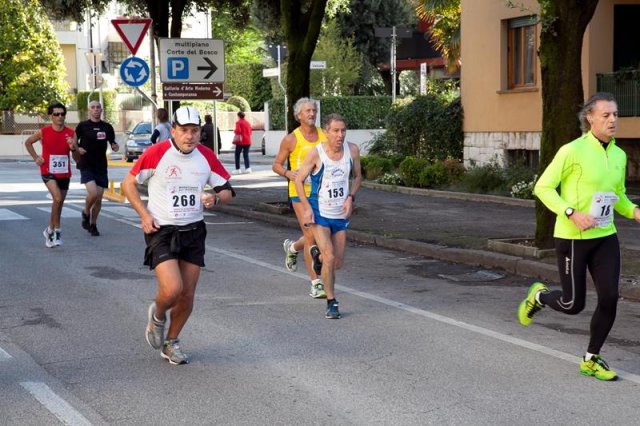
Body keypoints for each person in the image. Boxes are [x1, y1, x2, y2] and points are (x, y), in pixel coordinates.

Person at [517, 92, 640, 381]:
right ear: (590, 118)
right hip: (573, 237)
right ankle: (539, 296)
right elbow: (543, 188)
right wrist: (571, 212)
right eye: (606, 115)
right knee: (574, 305)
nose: (612, 120)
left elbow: (617, 195)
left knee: (610, 297)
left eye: (615, 115)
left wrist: (634, 211)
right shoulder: (571, 150)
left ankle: (591, 358)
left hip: (605, 236)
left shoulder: (619, 155)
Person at [121, 106, 234, 365]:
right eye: (184, 130)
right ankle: (158, 315)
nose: (190, 136)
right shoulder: (157, 153)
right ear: (173, 130)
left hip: (194, 230)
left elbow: (228, 190)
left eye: (194, 131)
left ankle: (171, 342)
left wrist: (215, 197)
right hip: (162, 229)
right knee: (173, 288)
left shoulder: (206, 156)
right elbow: (129, 183)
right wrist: (144, 215)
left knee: (187, 295)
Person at [294, 113, 361, 319]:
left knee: (336, 262)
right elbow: (299, 181)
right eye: (335, 131)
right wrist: (306, 206)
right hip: (320, 212)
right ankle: (331, 302)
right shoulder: (316, 153)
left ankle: (317, 257)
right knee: (330, 257)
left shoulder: (352, 151)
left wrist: (350, 197)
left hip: (340, 213)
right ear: (326, 132)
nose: (340, 135)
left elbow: (358, 176)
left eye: (343, 131)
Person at [272, 98, 327, 298]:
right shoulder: (291, 139)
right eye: (307, 111)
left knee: (322, 234)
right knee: (312, 236)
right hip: (300, 193)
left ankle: (293, 247)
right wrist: (288, 174)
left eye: (314, 110)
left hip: (322, 193)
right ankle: (316, 283)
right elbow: (276, 164)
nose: (312, 114)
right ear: (299, 115)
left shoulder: (325, 135)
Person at [25, 102, 78, 248]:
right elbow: (28, 142)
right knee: (57, 197)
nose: (60, 117)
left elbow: (77, 158)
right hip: (47, 171)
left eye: (62, 114)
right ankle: (57, 233)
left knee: (58, 203)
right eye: (56, 114)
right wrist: (36, 157)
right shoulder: (44, 132)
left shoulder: (71, 133)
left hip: (64, 172)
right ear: (50, 116)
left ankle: (49, 229)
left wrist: (73, 148)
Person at [75, 101, 119, 236]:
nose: (96, 109)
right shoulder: (82, 126)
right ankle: (85, 212)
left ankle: (93, 224)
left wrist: (114, 146)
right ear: (89, 110)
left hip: (100, 166)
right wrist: (78, 148)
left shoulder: (107, 127)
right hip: (86, 164)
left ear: (101, 110)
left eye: (98, 107)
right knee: (93, 193)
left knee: (99, 198)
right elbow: (73, 142)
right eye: (93, 107)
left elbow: (113, 142)